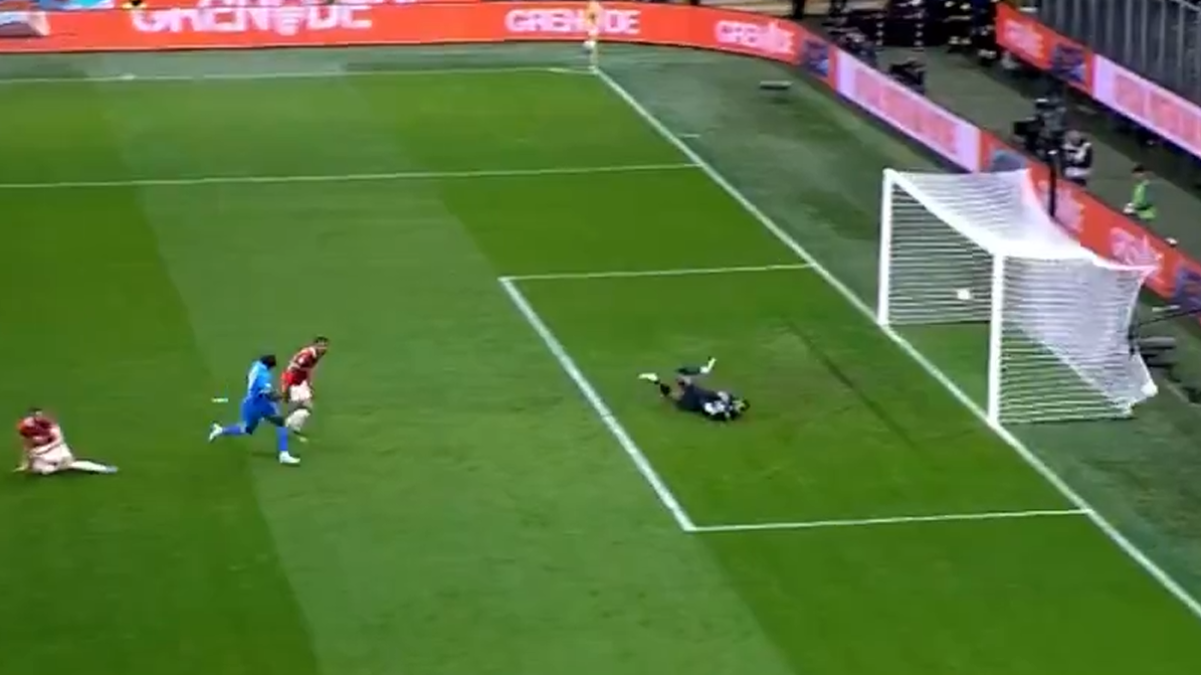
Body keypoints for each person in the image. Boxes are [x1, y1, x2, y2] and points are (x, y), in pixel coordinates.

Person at [208, 355, 302, 466]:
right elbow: (268, 395)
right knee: (281, 423)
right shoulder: (264, 375)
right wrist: (284, 396)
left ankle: (220, 430)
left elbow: (250, 379)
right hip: (260, 404)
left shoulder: (256, 366)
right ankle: (284, 454)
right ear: (269, 366)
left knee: (247, 429)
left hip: (248, 403)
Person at [638, 358, 749, 421]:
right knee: (679, 378)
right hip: (700, 396)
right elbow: (721, 395)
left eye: (740, 407)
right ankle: (705, 369)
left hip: (694, 403)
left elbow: (710, 412)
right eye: (739, 404)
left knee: (671, 394)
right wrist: (723, 398)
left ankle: (655, 379)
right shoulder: (730, 401)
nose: (738, 405)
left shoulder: (728, 414)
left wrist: (723, 406)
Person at [14, 408, 117, 476]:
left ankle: (103, 468)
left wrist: (44, 449)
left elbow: (59, 440)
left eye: (40, 415)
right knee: (41, 471)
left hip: (55, 447)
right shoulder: (25, 427)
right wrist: (25, 463)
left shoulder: (49, 423)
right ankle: (55, 466)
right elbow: (26, 444)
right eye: (35, 416)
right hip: (40, 450)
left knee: (70, 463)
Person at [281, 336, 329, 433]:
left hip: (301, 380)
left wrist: (309, 384)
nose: (323, 348)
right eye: (321, 346)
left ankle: (291, 424)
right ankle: (290, 424)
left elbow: (307, 370)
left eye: (325, 346)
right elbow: (292, 370)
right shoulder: (307, 356)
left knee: (303, 406)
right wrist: (286, 388)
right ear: (315, 345)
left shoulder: (316, 354)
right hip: (294, 382)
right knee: (307, 407)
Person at [583, 0, 603, 71]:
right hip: (592, 26)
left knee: (593, 45)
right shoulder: (594, 5)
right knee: (593, 45)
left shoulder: (594, 5)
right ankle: (593, 64)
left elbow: (593, 15)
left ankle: (593, 64)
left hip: (593, 26)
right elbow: (590, 15)